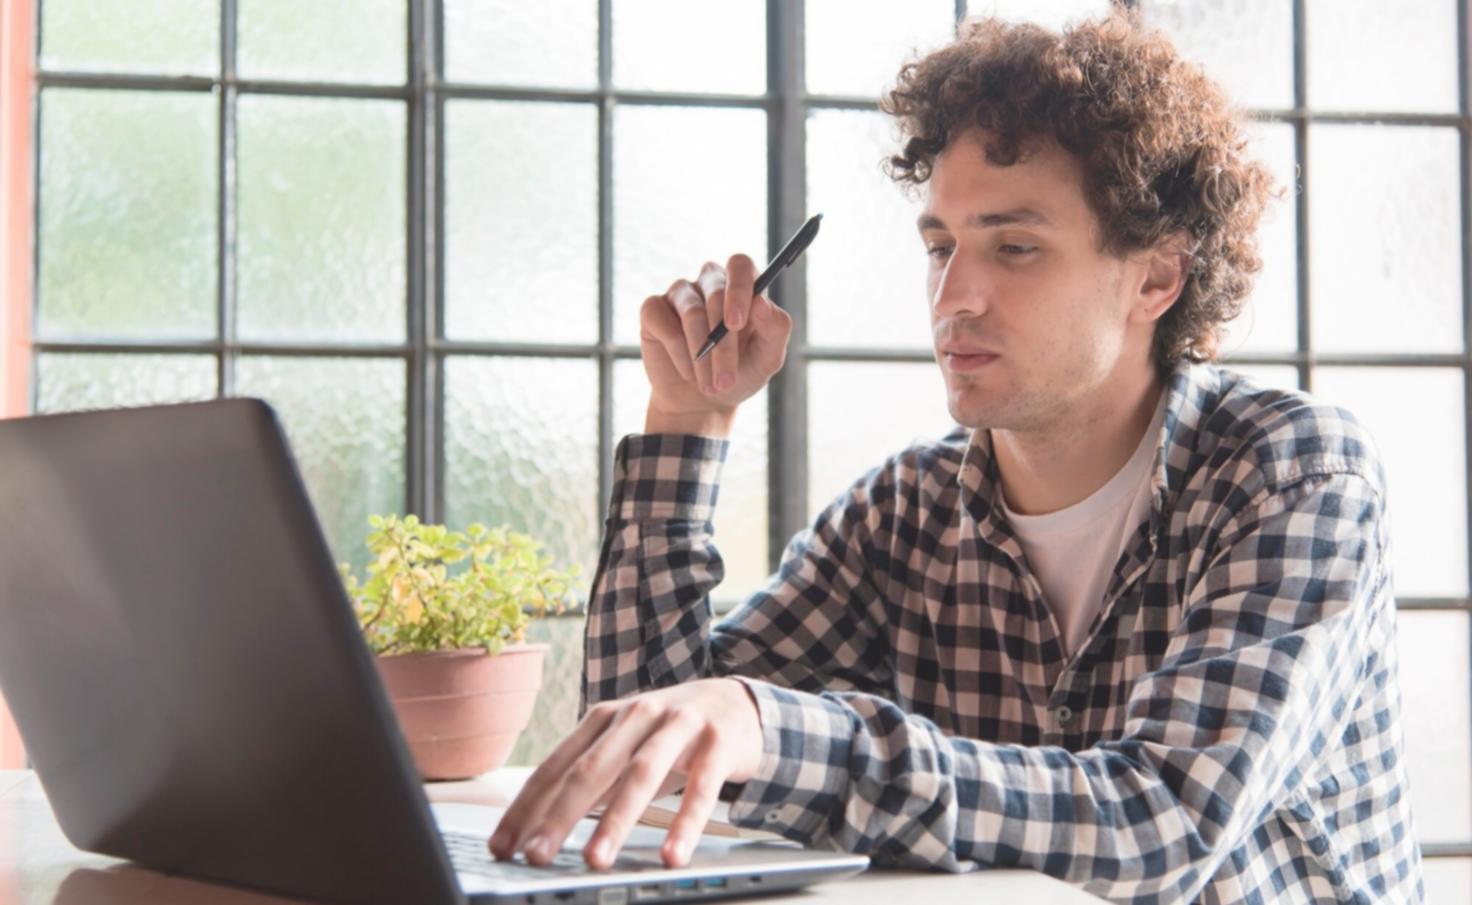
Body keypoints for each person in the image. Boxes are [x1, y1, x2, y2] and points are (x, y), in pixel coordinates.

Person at [489, 12, 1423, 903]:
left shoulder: (1292, 475)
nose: (952, 297)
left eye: (1014, 247)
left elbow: (1161, 824)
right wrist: (686, 421)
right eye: (940, 245)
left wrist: (773, 728)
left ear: (1155, 278)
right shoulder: (907, 512)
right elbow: (636, 765)